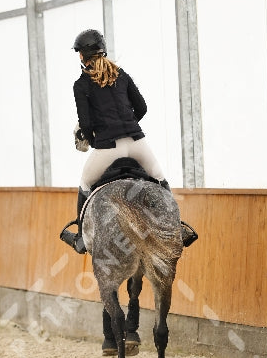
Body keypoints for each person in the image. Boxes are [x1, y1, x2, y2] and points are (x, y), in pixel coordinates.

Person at [60, 29, 197, 254]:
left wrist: (97, 140)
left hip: (107, 149)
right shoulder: (121, 75)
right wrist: (127, 125)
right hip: (137, 143)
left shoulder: (81, 85)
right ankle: (176, 229)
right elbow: (142, 107)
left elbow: (85, 124)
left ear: (82, 56)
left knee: (85, 184)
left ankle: (81, 239)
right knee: (160, 179)